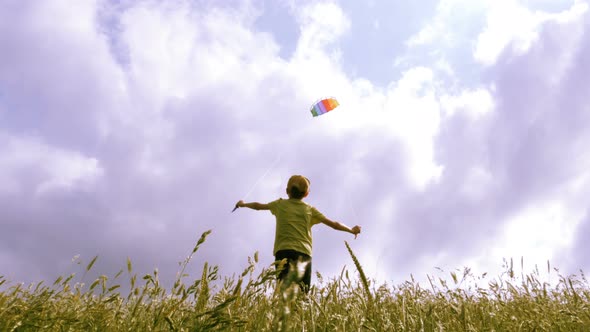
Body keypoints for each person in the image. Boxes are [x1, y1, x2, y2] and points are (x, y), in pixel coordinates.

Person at [234, 175, 361, 293]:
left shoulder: (279, 204)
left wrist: (243, 204)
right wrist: (351, 230)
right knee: (302, 295)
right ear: (306, 194)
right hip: (303, 254)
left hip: (283, 252)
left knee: (283, 295)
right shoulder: (310, 210)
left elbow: (257, 206)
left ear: (286, 190)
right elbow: (335, 224)